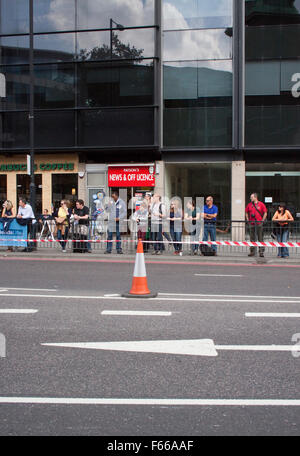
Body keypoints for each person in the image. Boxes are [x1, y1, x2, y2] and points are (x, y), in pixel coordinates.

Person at [245, 193, 268, 258]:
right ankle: (252, 251)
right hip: (251, 223)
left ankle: (261, 252)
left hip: (259, 223)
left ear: (255, 197)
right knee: (252, 238)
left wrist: (262, 221)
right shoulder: (249, 205)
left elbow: (265, 213)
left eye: (251, 197)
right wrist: (248, 220)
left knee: (260, 238)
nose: (250, 198)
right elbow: (246, 212)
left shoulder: (261, 204)